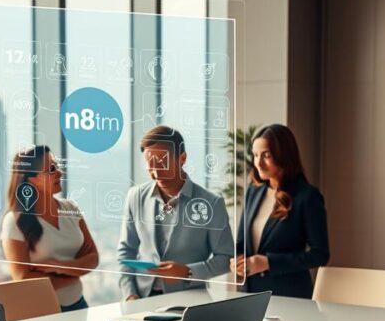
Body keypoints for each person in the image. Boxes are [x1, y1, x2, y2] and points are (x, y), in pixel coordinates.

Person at [118, 125, 233, 300]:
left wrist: (187, 271)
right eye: (150, 166)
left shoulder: (212, 203)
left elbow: (226, 258)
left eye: (162, 164)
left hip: (191, 300)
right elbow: (126, 251)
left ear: (182, 158)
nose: (156, 173)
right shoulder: (135, 196)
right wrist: (130, 294)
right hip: (141, 299)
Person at [234, 123, 329, 298]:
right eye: (255, 155)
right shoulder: (253, 192)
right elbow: (242, 241)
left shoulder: (307, 197)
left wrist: (269, 263)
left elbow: (320, 255)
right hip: (250, 294)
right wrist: (237, 259)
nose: (258, 163)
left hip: (289, 295)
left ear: (283, 155)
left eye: (266, 155)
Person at [0, 145, 99, 311]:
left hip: (78, 304)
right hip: (42, 309)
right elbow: (23, 278)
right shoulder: (14, 221)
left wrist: (59, 266)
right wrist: (74, 275)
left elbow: (93, 257)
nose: (60, 173)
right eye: (51, 169)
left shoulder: (71, 208)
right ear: (32, 179)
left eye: (57, 166)